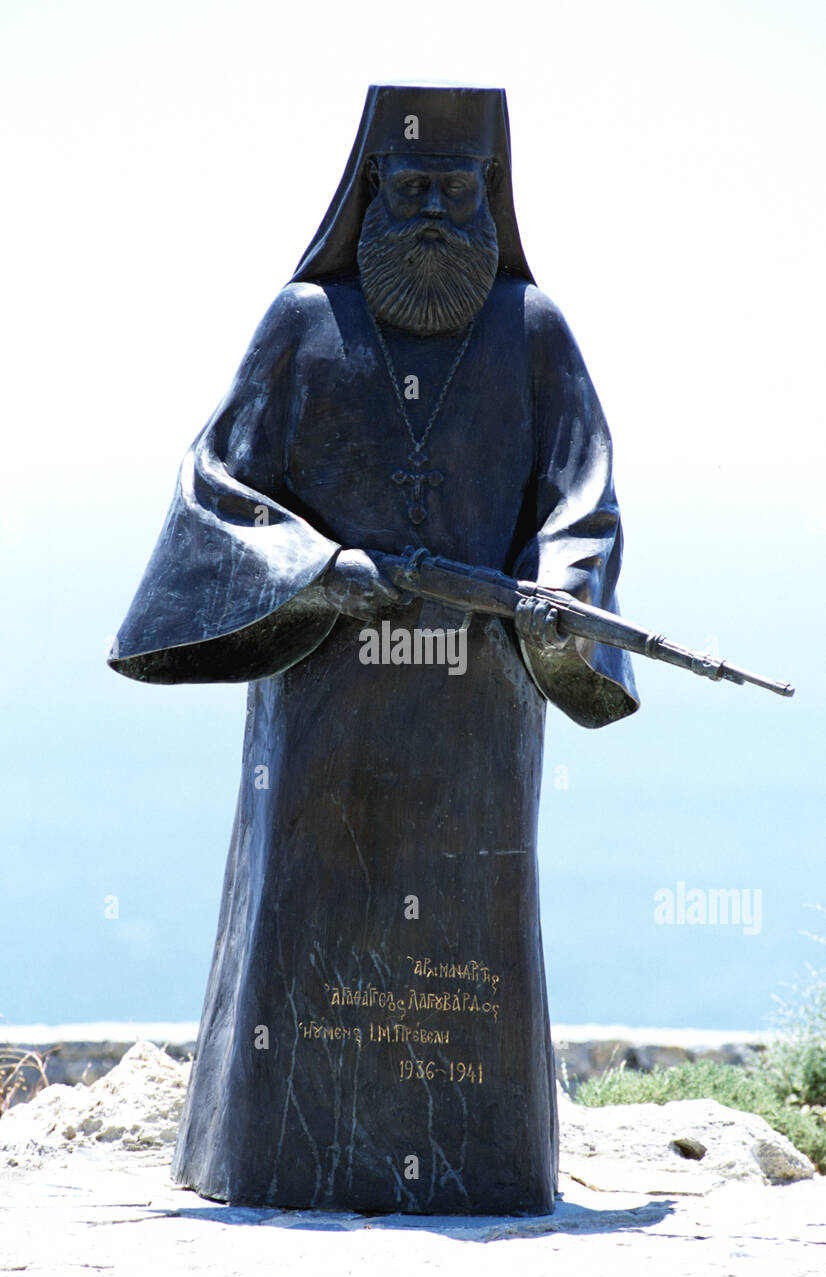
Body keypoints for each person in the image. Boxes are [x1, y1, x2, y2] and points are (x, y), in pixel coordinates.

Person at [108, 84, 638, 1214]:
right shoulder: (304, 323)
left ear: (494, 196)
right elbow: (216, 490)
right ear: (372, 191)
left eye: (459, 190)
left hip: (478, 713)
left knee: (471, 910)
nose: (437, 213)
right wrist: (319, 572)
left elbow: (580, 502)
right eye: (413, 189)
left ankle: (478, 1164)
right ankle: (280, 1155)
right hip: (324, 702)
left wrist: (556, 595)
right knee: (309, 897)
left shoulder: (532, 333)